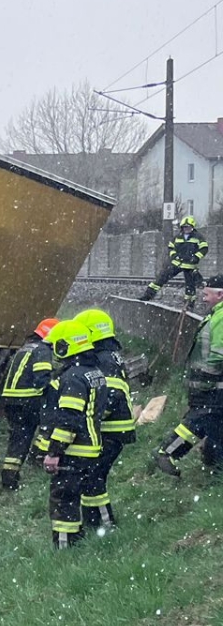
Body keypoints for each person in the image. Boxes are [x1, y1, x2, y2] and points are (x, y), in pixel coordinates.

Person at [39, 319, 105, 549]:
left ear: (65, 346)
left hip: (75, 450)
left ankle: (65, 547)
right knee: (86, 492)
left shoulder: (72, 378)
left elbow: (69, 419)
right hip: (93, 447)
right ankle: (95, 533)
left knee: (64, 499)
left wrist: (54, 452)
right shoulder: (94, 372)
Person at [73, 308, 135, 530]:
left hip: (109, 429)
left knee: (93, 478)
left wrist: (89, 419)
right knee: (92, 477)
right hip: (115, 428)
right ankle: (95, 523)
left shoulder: (102, 359)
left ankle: (106, 526)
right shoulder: (110, 354)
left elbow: (108, 395)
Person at [152, 289, 223, 477]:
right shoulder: (217, 315)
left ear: (220, 294)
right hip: (211, 383)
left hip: (208, 383)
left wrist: (205, 374)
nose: (203, 298)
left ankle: (211, 464)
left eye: (207, 294)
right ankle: (169, 453)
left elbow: (217, 352)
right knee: (205, 420)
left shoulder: (219, 317)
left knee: (207, 421)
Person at [0, 318, 57, 491]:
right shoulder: (43, 350)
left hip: (10, 401)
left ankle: (9, 477)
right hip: (28, 400)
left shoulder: (24, 348)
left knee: (19, 437)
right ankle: (38, 456)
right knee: (52, 424)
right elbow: (41, 379)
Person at [141, 216, 209, 305]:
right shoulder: (177, 237)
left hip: (189, 265)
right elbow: (171, 247)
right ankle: (147, 295)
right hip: (176, 263)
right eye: (185, 227)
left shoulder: (198, 237)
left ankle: (188, 304)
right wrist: (173, 256)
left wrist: (196, 257)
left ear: (192, 227)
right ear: (182, 228)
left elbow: (204, 248)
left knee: (190, 287)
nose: (186, 229)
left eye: (188, 227)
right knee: (161, 278)